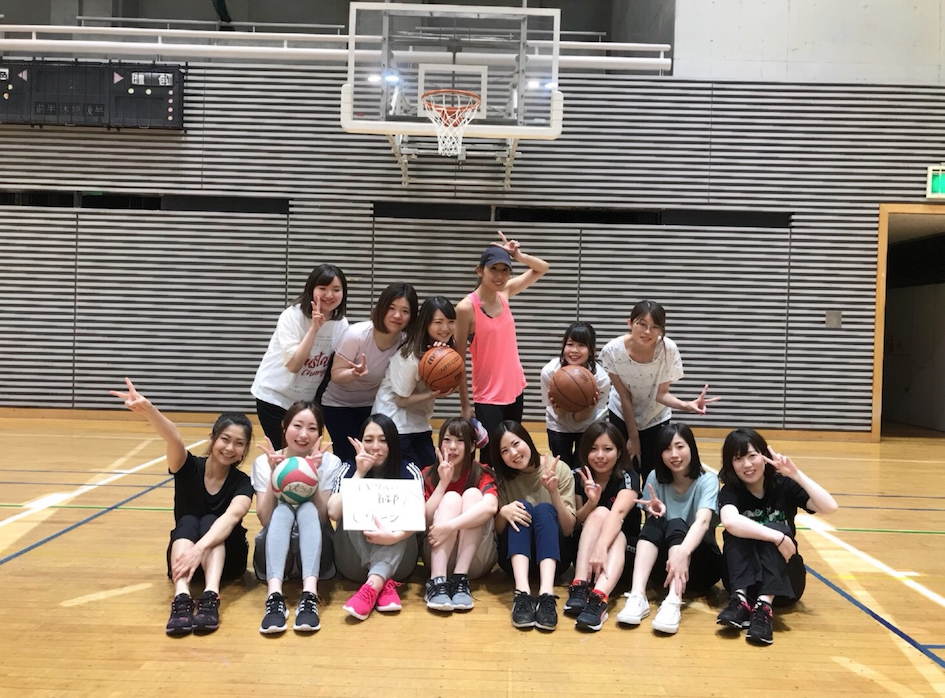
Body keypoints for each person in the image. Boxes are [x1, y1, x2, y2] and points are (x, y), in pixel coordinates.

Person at [110, 378, 253, 636]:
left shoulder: (243, 482)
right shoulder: (188, 467)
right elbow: (173, 438)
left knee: (211, 521)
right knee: (187, 521)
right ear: (212, 438)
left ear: (244, 451)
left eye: (239, 443)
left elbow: (231, 517)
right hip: (183, 560)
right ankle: (182, 598)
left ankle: (211, 596)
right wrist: (149, 410)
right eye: (225, 439)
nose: (230, 448)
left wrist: (199, 549)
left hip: (226, 562)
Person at [716, 428, 838, 645]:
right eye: (738, 459)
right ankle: (741, 602)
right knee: (741, 531)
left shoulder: (784, 485)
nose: (747, 464)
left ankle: (764, 607)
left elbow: (830, 506)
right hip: (743, 581)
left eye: (752, 455)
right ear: (730, 464)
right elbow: (730, 522)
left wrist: (796, 475)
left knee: (776, 528)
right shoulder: (731, 492)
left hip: (785, 584)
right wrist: (776, 537)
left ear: (765, 456)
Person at [615, 423, 722, 635]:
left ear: (691, 448)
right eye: (667, 449)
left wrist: (683, 552)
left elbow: (702, 522)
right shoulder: (654, 478)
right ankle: (637, 595)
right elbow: (652, 533)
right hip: (664, 569)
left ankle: (674, 600)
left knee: (677, 523)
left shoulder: (707, 481)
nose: (674, 454)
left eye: (680, 446)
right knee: (656, 523)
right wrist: (654, 513)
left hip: (701, 566)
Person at [251, 400, 346, 634]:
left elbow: (324, 516)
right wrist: (274, 474)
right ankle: (274, 597)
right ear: (284, 427)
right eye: (297, 425)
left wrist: (312, 475)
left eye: (312, 428)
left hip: (317, 557)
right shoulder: (265, 462)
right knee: (282, 510)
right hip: (274, 557)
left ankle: (310, 595)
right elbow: (264, 518)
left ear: (320, 434)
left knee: (308, 509)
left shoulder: (330, 462)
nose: (304, 434)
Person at [455, 231, 549, 465]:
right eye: (493, 269)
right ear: (480, 270)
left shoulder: (504, 293)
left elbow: (542, 268)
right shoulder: (466, 308)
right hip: (488, 394)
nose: (499, 276)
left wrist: (518, 256)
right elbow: (458, 360)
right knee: (492, 455)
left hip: (514, 388)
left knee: (513, 451)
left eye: (505, 270)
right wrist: (465, 404)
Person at [600, 299, 719, 483]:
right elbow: (625, 397)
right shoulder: (611, 351)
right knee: (625, 471)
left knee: (654, 473)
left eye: (655, 327)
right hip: (622, 413)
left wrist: (687, 406)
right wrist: (633, 437)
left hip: (655, 416)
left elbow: (661, 394)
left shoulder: (668, 350)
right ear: (629, 323)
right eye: (642, 324)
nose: (647, 332)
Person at [327, 414, 422, 621]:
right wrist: (359, 475)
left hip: (400, 564)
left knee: (399, 514)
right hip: (353, 562)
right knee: (356, 500)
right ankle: (382, 583)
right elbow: (333, 511)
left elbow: (417, 517)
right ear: (360, 442)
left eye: (383, 440)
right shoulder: (348, 468)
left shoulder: (408, 470)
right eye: (369, 440)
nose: (375, 447)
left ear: (393, 443)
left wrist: (394, 537)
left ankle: (372, 585)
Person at [251, 264, 348, 449]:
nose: (329, 295)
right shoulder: (292, 316)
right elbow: (294, 365)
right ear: (311, 289)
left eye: (336, 290)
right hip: (275, 396)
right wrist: (314, 329)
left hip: (306, 402)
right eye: (323, 288)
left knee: (306, 454)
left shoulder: (341, 324)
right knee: (284, 454)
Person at [492, 421, 576, 631]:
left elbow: (568, 529)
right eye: (504, 451)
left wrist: (554, 492)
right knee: (521, 507)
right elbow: (498, 532)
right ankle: (522, 594)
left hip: (555, 560)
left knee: (544, 510)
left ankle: (547, 595)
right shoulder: (501, 478)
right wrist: (503, 513)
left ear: (527, 440)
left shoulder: (558, 468)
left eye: (516, 444)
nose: (513, 453)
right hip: (514, 561)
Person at [322, 283, 418, 464]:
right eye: (391, 308)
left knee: (376, 456)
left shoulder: (405, 343)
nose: (397, 315)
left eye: (405, 311)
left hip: (371, 405)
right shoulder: (356, 335)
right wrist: (354, 373)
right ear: (381, 307)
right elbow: (336, 374)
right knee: (350, 458)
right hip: (338, 404)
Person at [562, 422, 641, 631]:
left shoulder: (628, 477)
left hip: (621, 555)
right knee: (598, 512)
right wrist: (591, 502)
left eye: (607, 449)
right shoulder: (578, 476)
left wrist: (601, 548)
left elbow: (619, 514)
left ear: (619, 452)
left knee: (608, 517)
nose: (600, 456)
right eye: (593, 449)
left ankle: (599, 598)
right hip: (586, 556)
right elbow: (575, 522)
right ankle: (580, 586)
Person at [421, 417, 499, 613]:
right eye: (447, 440)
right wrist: (443, 484)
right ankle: (436, 582)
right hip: (436, 557)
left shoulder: (482, 473)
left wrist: (450, 526)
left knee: (472, 495)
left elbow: (490, 507)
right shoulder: (428, 474)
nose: (453, 447)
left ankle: (460, 580)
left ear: (472, 446)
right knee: (451, 498)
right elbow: (423, 520)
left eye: (460, 440)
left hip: (475, 560)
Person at [374, 296, 457, 469]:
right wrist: (432, 393)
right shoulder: (409, 356)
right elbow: (400, 400)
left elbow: (449, 383)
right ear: (426, 324)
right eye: (438, 322)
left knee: (430, 472)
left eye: (450, 322)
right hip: (392, 421)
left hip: (418, 422)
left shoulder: (444, 351)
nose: (445, 328)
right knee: (413, 476)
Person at [540, 321, 611, 466]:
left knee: (582, 468)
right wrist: (559, 407)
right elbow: (559, 414)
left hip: (589, 425)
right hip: (558, 424)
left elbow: (580, 419)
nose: (574, 350)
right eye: (570, 344)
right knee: (562, 467)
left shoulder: (601, 379)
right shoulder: (549, 372)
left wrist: (588, 408)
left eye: (581, 345)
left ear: (591, 350)